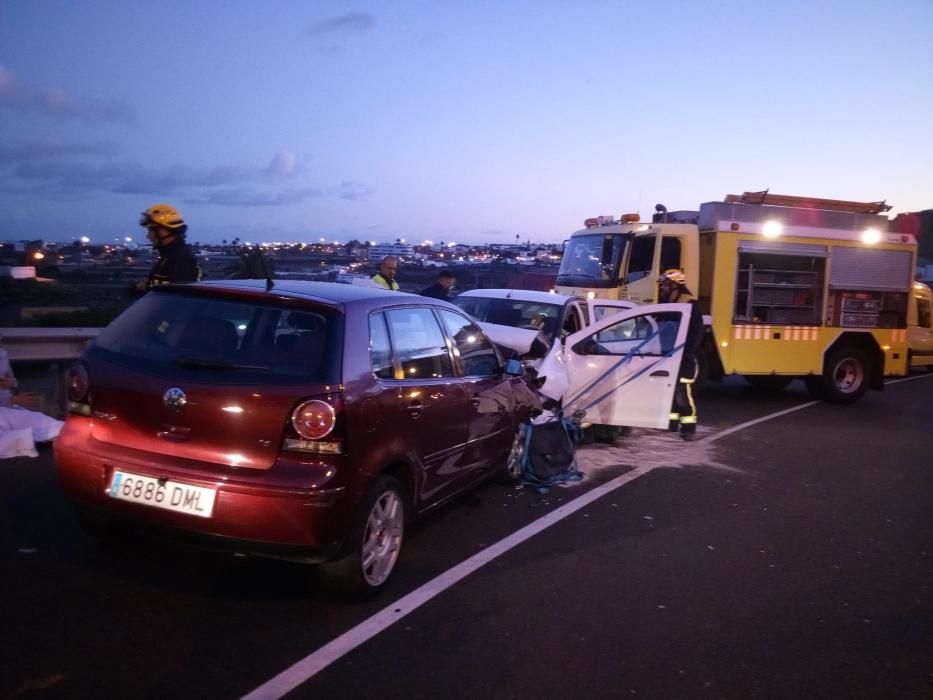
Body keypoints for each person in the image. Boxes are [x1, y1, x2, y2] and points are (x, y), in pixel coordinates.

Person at [657, 268, 705, 440]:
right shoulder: (670, 302)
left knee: (682, 393)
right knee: (670, 391)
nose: (662, 288)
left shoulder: (689, 304)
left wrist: (687, 352)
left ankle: (688, 428)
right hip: (669, 355)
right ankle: (671, 423)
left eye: (665, 285)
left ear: (674, 285)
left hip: (682, 357)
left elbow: (696, 332)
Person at [135, 203, 200, 292]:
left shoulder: (181, 258)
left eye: (151, 231)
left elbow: (178, 297)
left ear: (164, 231)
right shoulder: (169, 256)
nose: (148, 236)